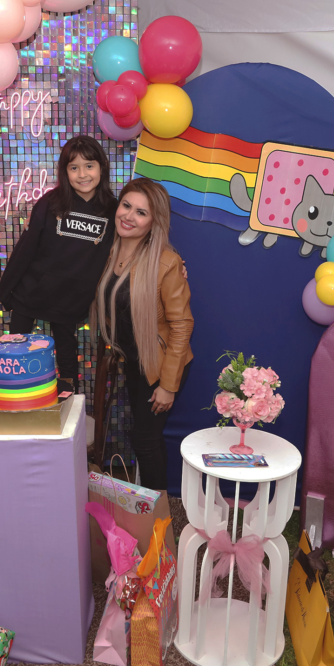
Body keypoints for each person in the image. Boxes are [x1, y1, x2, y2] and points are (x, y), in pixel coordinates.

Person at [91, 177, 193, 491]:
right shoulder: (107, 249)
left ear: (154, 221)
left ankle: (158, 512)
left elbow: (182, 325)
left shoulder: (166, 263)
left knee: (145, 440)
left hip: (159, 363)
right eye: (126, 206)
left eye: (141, 212)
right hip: (132, 361)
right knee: (146, 439)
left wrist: (168, 385)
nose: (129, 216)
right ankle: (153, 506)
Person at [0, 136, 117, 392]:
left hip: (71, 301)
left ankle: (70, 401)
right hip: (31, 293)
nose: (82, 174)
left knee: (67, 356)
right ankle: (12, 399)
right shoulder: (50, 203)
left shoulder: (112, 209)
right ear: (65, 172)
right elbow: (26, 248)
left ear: (102, 167)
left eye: (89, 166)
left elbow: (133, 243)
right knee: (15, 353)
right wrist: (6, 290)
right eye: (74, 168)